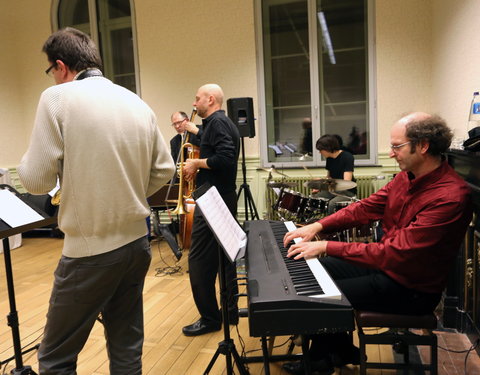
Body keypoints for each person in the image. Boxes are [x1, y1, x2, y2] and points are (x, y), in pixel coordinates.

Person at [17, 27, 175, 375]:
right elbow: (165, 169)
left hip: (90, 252)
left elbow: (37, 180)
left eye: (51, 72)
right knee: (126, 347)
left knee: (55, 358)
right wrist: (127, 192)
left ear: (60, 66)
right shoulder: (135, 100)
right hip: (137, 244)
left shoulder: (57, 98)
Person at [281, 112, 472, 375]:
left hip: (410, 287)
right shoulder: (406, 177)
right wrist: (319, 226)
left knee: (319, 295)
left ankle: (319, 361)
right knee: (317, 272)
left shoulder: (450, 196)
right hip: (386, 269)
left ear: (423, 146)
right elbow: (365, 208)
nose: (391, 153)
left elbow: (396, 253)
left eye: (396, 146)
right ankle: (339, 350)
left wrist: (326, 246)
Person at [181, 83, 240, 336]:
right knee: (226, 258)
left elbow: (224, 158)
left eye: (198, 99)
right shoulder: (221, 122)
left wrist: (196, 162)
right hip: (224, 197)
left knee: (199, 262)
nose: (195, 104)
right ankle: (230, 312)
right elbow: (212, 140)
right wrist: (193, 130)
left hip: (213, 201)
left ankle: (209, 319)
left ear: (211, 99)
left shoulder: (216, 124)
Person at [314, 134, 356, 214]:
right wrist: (320, 184)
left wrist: (328, 183)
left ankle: (329, 225)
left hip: (347, 192)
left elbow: (347, 182)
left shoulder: (347, 157)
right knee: (315, 199)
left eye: (320, 150)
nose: (320, 152)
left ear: (327, 148)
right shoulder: (329, 159)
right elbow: (329, 177)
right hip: (333, 190)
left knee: (332, 204)